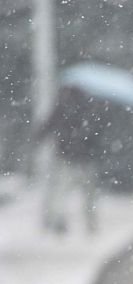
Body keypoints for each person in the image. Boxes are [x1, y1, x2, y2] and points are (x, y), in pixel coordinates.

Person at [37, 86, 107, 235]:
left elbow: (46, 128)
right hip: (85, 159)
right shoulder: (89, 109)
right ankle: (90, 223)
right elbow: (98, 134)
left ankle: (59, 222)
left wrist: (39, 139)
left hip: (65, 157)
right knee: (89, 195)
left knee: (60, 193)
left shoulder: (61, 108)